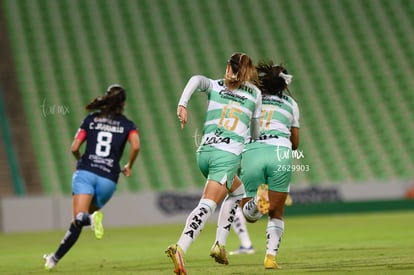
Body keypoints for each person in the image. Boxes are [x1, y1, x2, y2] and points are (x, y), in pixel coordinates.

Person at [165, 52, 262, 275]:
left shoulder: (216, 85)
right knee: (207, 204)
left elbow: (196, 79)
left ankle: (219, 245)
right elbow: (255, 135)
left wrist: (183, 104)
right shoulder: (255, 94)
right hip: (226, 156)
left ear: (229, 66)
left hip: (205, 153)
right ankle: (180, 247)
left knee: (237, 193)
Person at [43, 84, 140, 270]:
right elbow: (135, 146)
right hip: (109, 179)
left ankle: (91, 219)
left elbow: (74, 148)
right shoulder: (128, 124)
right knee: (77, 220)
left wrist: (81, 161)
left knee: (79, 218)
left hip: (86, 173)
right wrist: (129, 165)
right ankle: (53, 259)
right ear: (123, 103)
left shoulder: (91, 119)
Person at [239, 60, 299, 269]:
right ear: (283, 85)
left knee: (250, 216)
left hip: (253, 151)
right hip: (280, 153)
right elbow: (296, 143)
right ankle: (270, 258)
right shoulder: (291, 104)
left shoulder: (251, 98)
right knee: (277, 211)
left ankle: (256, 203)